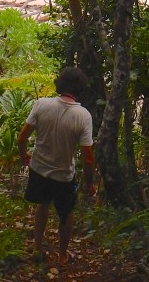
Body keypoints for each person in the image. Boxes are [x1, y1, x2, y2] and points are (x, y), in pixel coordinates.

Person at [17, 67, 96, 264]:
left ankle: (37, 248)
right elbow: (87, 158)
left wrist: (23, 155)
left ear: (59, 84)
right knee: (66, 214)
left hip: (39, 169)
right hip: (64, 176)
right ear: (80, 89)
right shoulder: (83, 115)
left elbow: (22, 137)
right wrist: (89, 183)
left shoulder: (41, 104)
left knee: (42, 205)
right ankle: (62, 254)